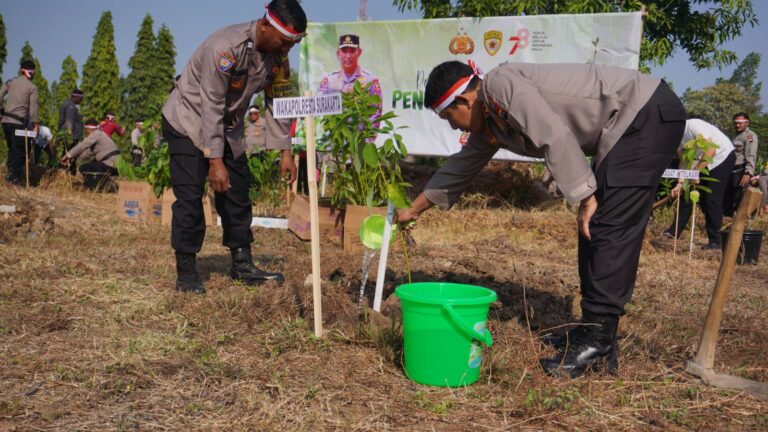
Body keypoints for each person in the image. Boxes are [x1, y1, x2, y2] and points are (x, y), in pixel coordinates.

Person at [396, 60, 686, 378]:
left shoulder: (499, 85)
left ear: (465, 101)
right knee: (596, 226)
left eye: (449, 117)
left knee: (607, 226)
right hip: (627, 125)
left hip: (643, 113)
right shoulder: (490, 121)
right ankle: (593, 332)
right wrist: (414, 209)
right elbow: (461, 167)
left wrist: (587, 197)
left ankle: (598, 344)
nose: (453, 127)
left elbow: (553, 134)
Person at [162, 0, 306, 294]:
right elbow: (211, 106)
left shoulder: (278, 57)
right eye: (285, 41)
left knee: (237, 191)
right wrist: (215, 163)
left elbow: (277, 102)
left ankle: (242, 264)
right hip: (188, 120)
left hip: (227, 127)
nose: (287, 49)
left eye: (294, 43)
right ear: (265, 26)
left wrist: (285, 152)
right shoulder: (225, 48)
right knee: (189, 198)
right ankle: (187, 272)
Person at [663, 118, 735, 249]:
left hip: (721, 157)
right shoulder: (675, 136)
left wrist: (695, 172)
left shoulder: (694, 126)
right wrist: (680, 183)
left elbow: (711, 151)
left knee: (711, 198)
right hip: (701, 163)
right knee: (687, 195)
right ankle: (674, 232)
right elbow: (683, 160)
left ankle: (715, 241)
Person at [1, 60, 39, 185]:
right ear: (31, 72)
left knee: (12, 149)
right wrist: (36, 125)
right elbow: (33, 109)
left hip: (6, 122)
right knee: (19, 151)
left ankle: (9, 176)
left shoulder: (11, 82)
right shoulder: (32, 87)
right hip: (19, 123)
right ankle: (14, 179)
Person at [61, 118, 120, 190]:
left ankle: (94, 187)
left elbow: (83, 145)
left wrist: (68, 155)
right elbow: (86, 153)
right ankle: (105, 184)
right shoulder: (101, 135)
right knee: (92, 164)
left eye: (86, 129)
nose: (86, 131)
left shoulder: (96, 133)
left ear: (89, 129)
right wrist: (73, 158)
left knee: (84, 167)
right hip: (115, 166)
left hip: (110, 164)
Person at [723, 112, 759, 217]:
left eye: (740, 123)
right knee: (727, 197)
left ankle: (736, 222)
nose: (737, 125)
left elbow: (751, 155)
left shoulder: (750, 136)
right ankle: (726, 219)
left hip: (741, 171)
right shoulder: (733, 135)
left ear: (747, 123)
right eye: (735, 123)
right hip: (730, 170)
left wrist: (748, 173)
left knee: (737, 197)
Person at [58, 88, 84, 175]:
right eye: (81, 99)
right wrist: (69, 134)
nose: (81, 101)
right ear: (76, 97)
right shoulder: (71, 106)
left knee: (70, 155)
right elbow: (69, 121)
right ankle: (64, 174)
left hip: (70, 135)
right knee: (70, 155)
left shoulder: (66, 104)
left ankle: (71, 173)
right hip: (72, 136)